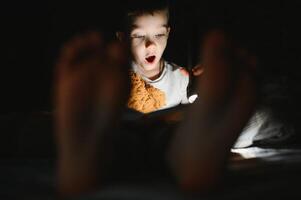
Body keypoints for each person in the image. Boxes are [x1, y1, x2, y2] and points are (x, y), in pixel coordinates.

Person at [117, 0, 201, 114]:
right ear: (123, 38)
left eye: (159, 34)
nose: (151, 44)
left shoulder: (181, 80)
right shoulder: (116, 77)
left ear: (167, 34)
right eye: (139, 36)